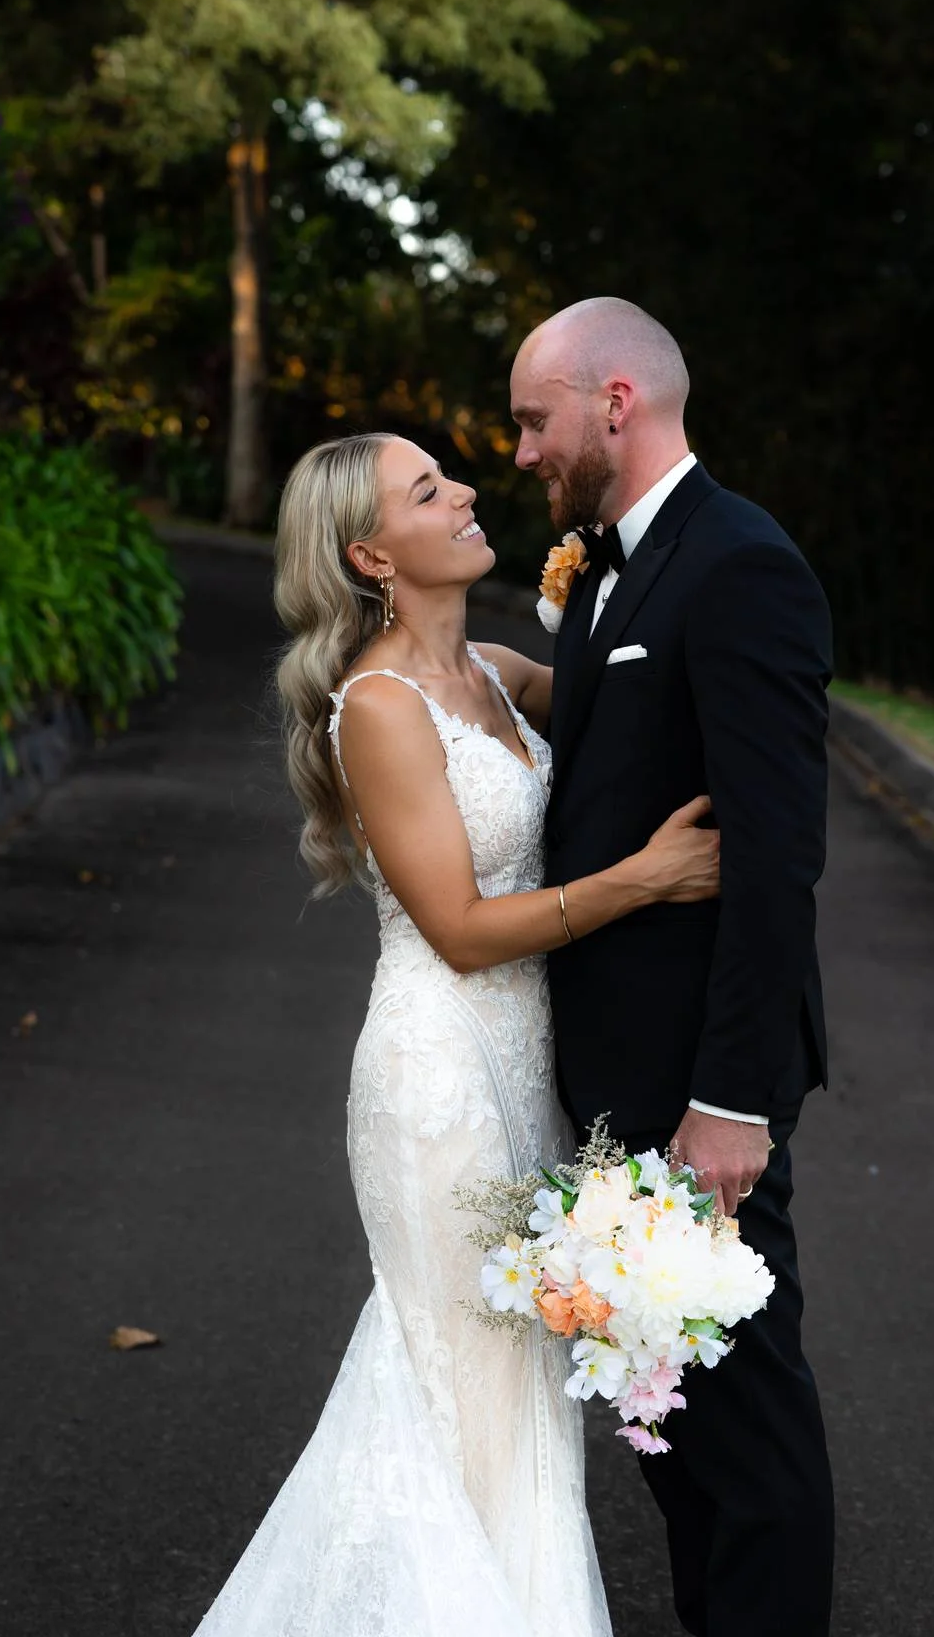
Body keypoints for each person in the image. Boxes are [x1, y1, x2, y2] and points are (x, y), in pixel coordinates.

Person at [190, 430, 720, 1636]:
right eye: (429, 490)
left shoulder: (490, 666)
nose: (470, 489)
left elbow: (626, 703)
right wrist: (646, 879)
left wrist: (616, 589)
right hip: (436, 1084)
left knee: (515, 1391)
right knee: (465, 1384)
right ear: (373, 552)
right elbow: (464, 928)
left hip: (526, 1069)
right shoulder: (377, 706)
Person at [511, 297, 835, 1637]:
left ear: (617, 401)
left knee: (748, 1446)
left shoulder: (740, 564)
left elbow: (774, 856)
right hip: (611, 1081)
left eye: (536, 418)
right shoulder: (610, 563)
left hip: (693, 1097)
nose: (522, 449)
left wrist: (736, 1099)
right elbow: (621, 739)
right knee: (678, 1439)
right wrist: (510, 683)